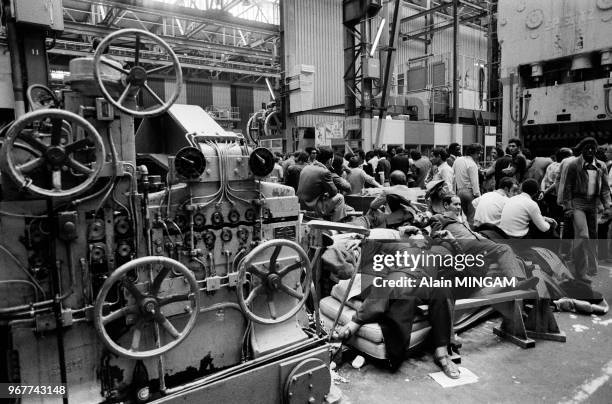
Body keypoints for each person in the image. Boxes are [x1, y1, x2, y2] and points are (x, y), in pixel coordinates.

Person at [334, 238, 458, 377]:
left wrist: (452, 241)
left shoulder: (438, 253)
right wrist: (361, 241)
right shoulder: (400, 246)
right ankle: (355, 323)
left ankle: (442, 353)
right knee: (396, 281)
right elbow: (376, 245)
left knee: (443, 289)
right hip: (401, 279)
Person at [557, 137, 611, 279]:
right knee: (583, 235)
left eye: (592, 147)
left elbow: (605, 189)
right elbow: (567, 187)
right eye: (587, 147)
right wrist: (568, 207)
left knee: (593, 237)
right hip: (578, 203)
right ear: (581, 149)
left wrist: (608, 206)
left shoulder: (601, 166)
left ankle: (592, 268)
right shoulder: (573, 165)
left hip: (593, 204)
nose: (590, 150)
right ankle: (580, 268)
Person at [297, 147, 348, 221]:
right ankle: (336, 226)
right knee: (340, 198)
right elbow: (334, 192)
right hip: (312, 208)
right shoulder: (325, 172)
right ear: (330, 160)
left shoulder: (306, 167)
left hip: (301, 206)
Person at [452, 143, 482, 225]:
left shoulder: (457, 160)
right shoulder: (472, 164)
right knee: (471, 218)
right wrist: (479, 197)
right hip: (469, 193)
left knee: (460, 217)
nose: (479, 156)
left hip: (459, 192)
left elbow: (453, 176)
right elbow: (475, 183)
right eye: (478, 153)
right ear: (473, 153)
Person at [541, 147, 573, 219]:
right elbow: (556, 183)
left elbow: (544, 179)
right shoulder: (564, 166)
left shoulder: (551, 165)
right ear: (565, 157)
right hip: (556, 195)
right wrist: (545, 192)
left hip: (548, 195)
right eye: (570, 156)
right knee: (558, 217)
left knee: (550, 215)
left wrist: (543, 191)